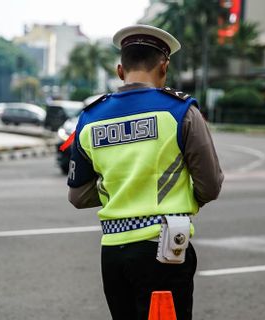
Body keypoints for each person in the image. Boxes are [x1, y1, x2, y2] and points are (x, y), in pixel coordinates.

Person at [66, 25, 223, 320]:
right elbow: (210, 185)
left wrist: (119, 188)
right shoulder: (180, 112)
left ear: (120, 69)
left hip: (112, 253)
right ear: (164, 66)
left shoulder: (89, 118)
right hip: (163, 250)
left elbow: (78, 196)